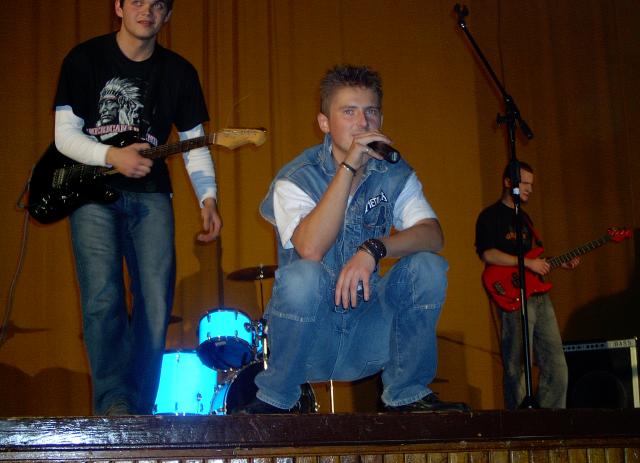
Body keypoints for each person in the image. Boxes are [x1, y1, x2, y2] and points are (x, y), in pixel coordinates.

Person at [239, 64, 468, 414]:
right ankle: (277, 398)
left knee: (428, 266)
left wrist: (374, 248)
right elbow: (311, 248)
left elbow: (433, 235)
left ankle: (406, 394)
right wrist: (348, 167)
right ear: (324, 123)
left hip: (367, 331)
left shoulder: (394, 173)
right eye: (349, 112)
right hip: (310, 339)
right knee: (303, 275)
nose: (362, 123)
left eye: (370, 112)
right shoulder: (296, 178)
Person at [53, 0, 222, 415]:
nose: (147, 10)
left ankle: (140, 408)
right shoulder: (84, 59)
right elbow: (64, 136)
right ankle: (115, 403)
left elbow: (194, 142)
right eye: (137, 1)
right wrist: (112, 156)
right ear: (119, 7)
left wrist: (208, 198)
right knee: (102, 297)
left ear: (167, 15)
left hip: (152, 195)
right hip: (92, 192)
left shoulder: (178, 72)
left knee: (155, 302)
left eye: (157, 4)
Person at [475, 162, 579, 409]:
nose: (529, 189)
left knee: (556, 366)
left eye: (531, 184)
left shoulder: (525, 219)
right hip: (513, 293)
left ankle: (550, 421)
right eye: (524, 183)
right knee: (517, 364)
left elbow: (533, 259)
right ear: (508, 182)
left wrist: (556, 262)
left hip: (538, 294)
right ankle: (520, 422)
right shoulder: (490, 216)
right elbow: (488, 254)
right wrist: (528, 263)